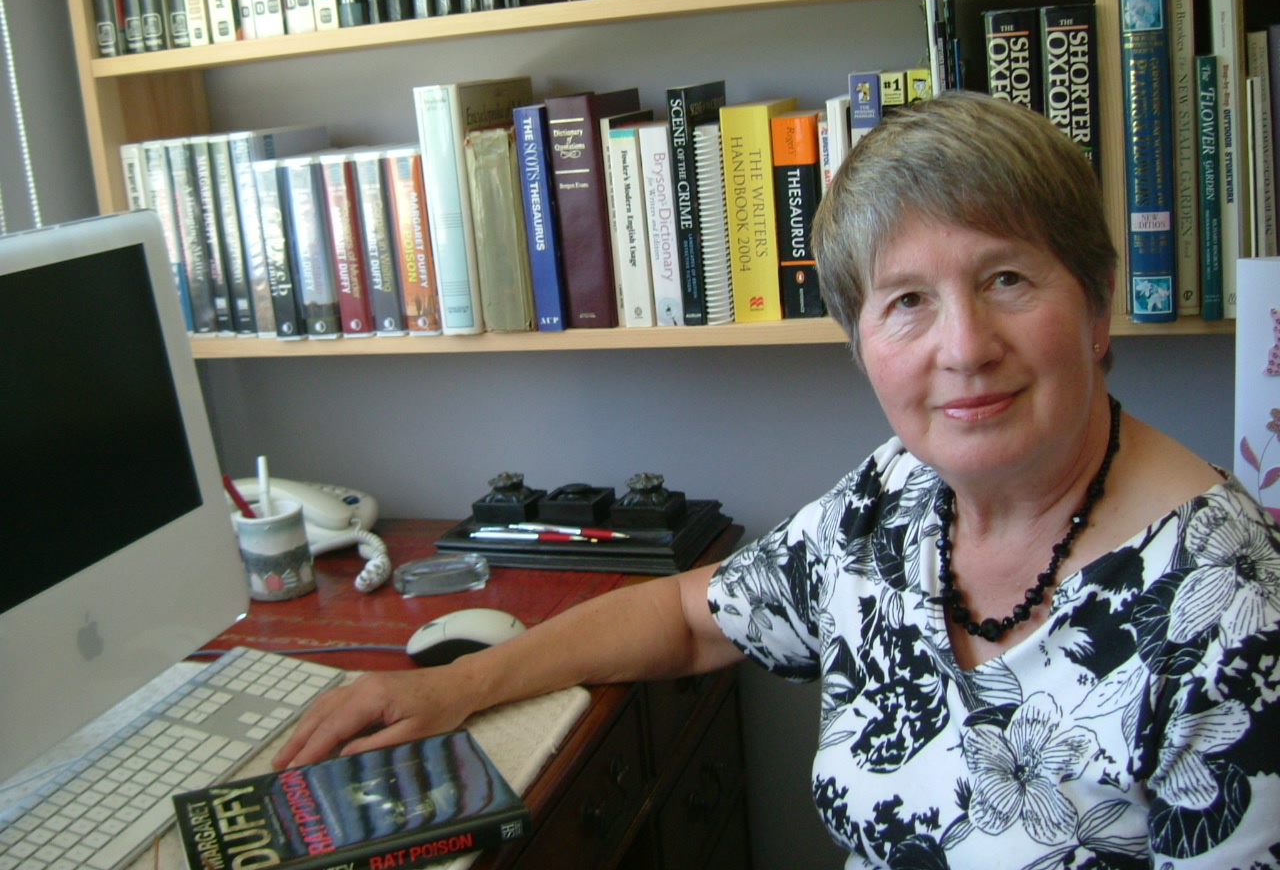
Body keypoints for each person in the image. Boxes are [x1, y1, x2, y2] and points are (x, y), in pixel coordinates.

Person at [276, 91, 1280, 868]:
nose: (963, 347)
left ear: (1097, 309)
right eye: (905, 302)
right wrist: (464, 687)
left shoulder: (1224, 608)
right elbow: (689, 616)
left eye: (1006, 279)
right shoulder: (893, 501)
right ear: (859, 347)